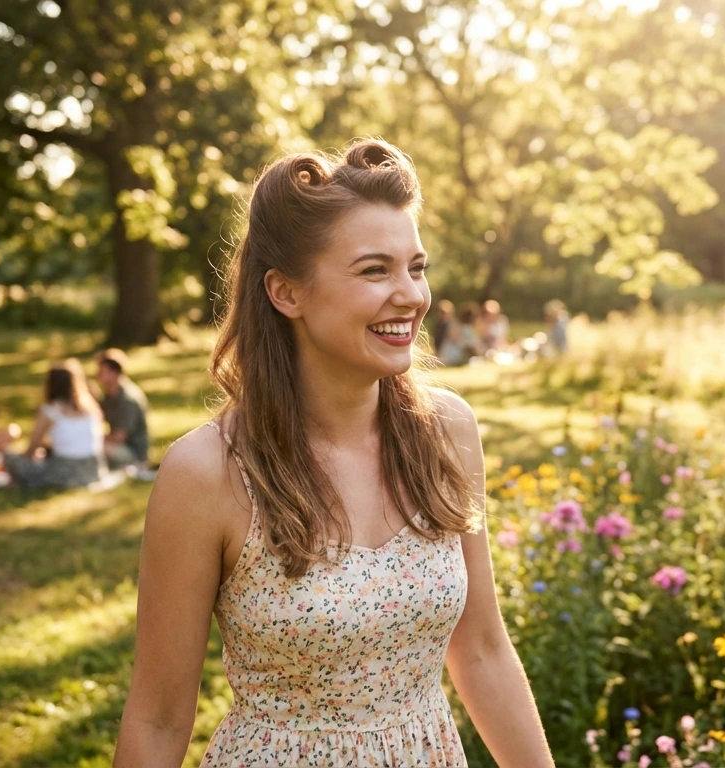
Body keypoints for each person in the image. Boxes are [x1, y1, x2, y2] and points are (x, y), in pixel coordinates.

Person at [114, 139, 553, 767]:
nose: (410, 295)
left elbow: (481, 648)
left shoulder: (448, 432)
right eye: (375, 270)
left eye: (416, 267)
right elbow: (157, 719)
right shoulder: (206, 473)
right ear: (286, 293)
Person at [3, 359, 107, 488]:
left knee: (9, 456)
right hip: (94, 470)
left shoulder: (50, 410)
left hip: (63, 473)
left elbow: (31, 450)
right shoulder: (91, 406)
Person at [94, 348, 150, 471]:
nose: (97, 376)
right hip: (121, 447)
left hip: (134, 454)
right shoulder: (111, 395)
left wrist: (92, 437)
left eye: (101, 372)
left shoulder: (127, 399)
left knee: (94, 445)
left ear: (113, 373)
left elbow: (119, 437)